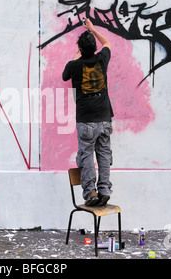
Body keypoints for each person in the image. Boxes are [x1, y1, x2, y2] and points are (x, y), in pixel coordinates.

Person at [62, 18, 114, 207]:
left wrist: (75, 58)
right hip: (104, 117)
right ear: (94, 48)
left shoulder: (74, 66)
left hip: (86, 119)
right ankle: (104, 190)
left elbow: (64, 76)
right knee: (104, 154)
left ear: (81, 49)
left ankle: (90, 192)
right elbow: (107, 43)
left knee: (86, 154)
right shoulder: (102, 59)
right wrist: (93, 29)